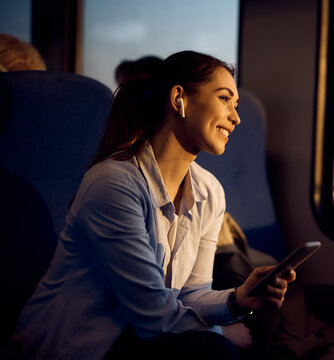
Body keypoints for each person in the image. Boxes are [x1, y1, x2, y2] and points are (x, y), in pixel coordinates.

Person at [13, 50, 295, 359]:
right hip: (78, 342)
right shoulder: (114, 184)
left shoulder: (209, 192)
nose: (236, 117)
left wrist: (239, 299)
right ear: (179, 99)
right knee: (215, 351)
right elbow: (153, 316)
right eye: (225, 99)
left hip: (136, 337)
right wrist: (220, 331)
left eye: (236, 105)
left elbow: (191, 294)